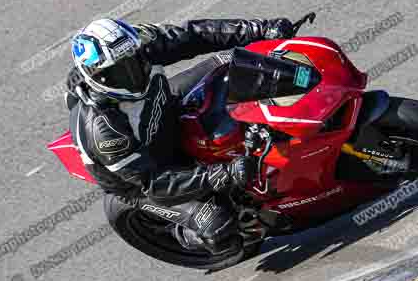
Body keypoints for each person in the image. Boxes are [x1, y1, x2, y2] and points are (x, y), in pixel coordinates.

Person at [65, 17, 295, 263]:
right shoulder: (104, 131)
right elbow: (154, 183)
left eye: (134, 60)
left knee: (235, 61)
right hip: (146, 176)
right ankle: (192, 236)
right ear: (98, 79)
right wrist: (224, 174)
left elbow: (191, 36)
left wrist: (258, 29)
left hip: (163, 106)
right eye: (120, 71)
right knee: (218, 226)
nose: (134, 72)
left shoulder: (136, 47)